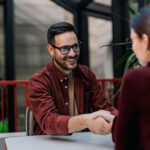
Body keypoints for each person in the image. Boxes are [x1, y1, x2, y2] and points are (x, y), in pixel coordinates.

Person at [28, 22, 118, 136]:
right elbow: (49, 122)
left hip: (82, 142)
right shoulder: (39, 81)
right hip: (50, 143)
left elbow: (103, 106)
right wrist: (87, 121)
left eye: (75, 47)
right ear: (51, 49)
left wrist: (125, 120)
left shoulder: (86, 73)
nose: (72, 53)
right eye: (65, 49)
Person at [113, 7, 150, 150]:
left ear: (145, 40)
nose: (133, 47)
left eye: (133, 39)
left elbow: (125, 141)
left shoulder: (137, 79)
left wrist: (116, 123)